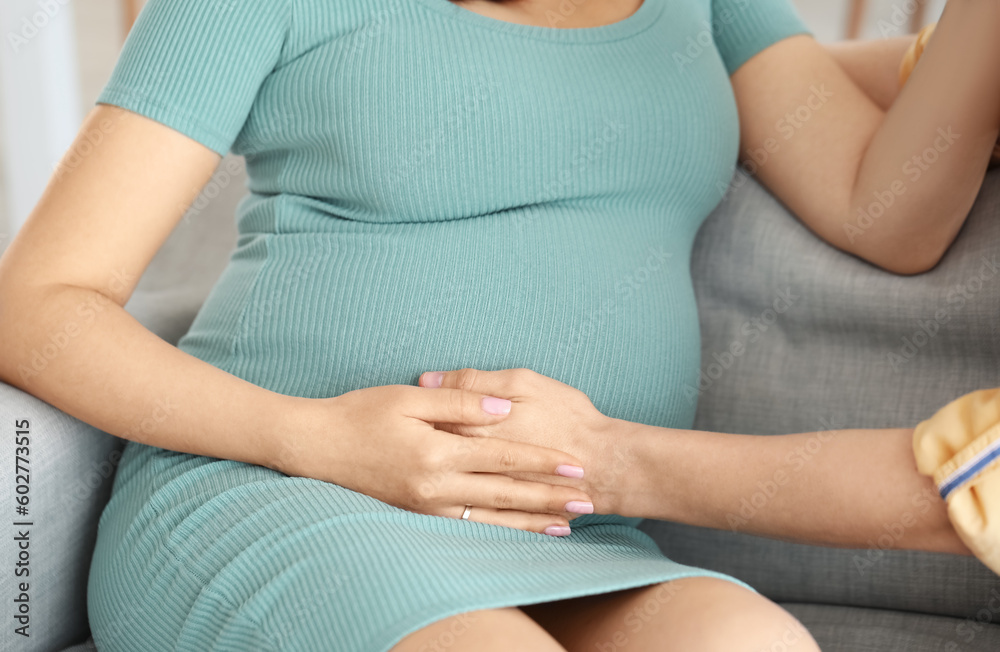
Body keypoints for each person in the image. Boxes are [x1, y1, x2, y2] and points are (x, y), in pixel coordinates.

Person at [0, 0, 994, 649]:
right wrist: (314, 437)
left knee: (751, 642)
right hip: (283, 490)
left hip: (571, 532)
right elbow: (38, 304)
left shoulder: (705, 8)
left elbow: (885, 208)